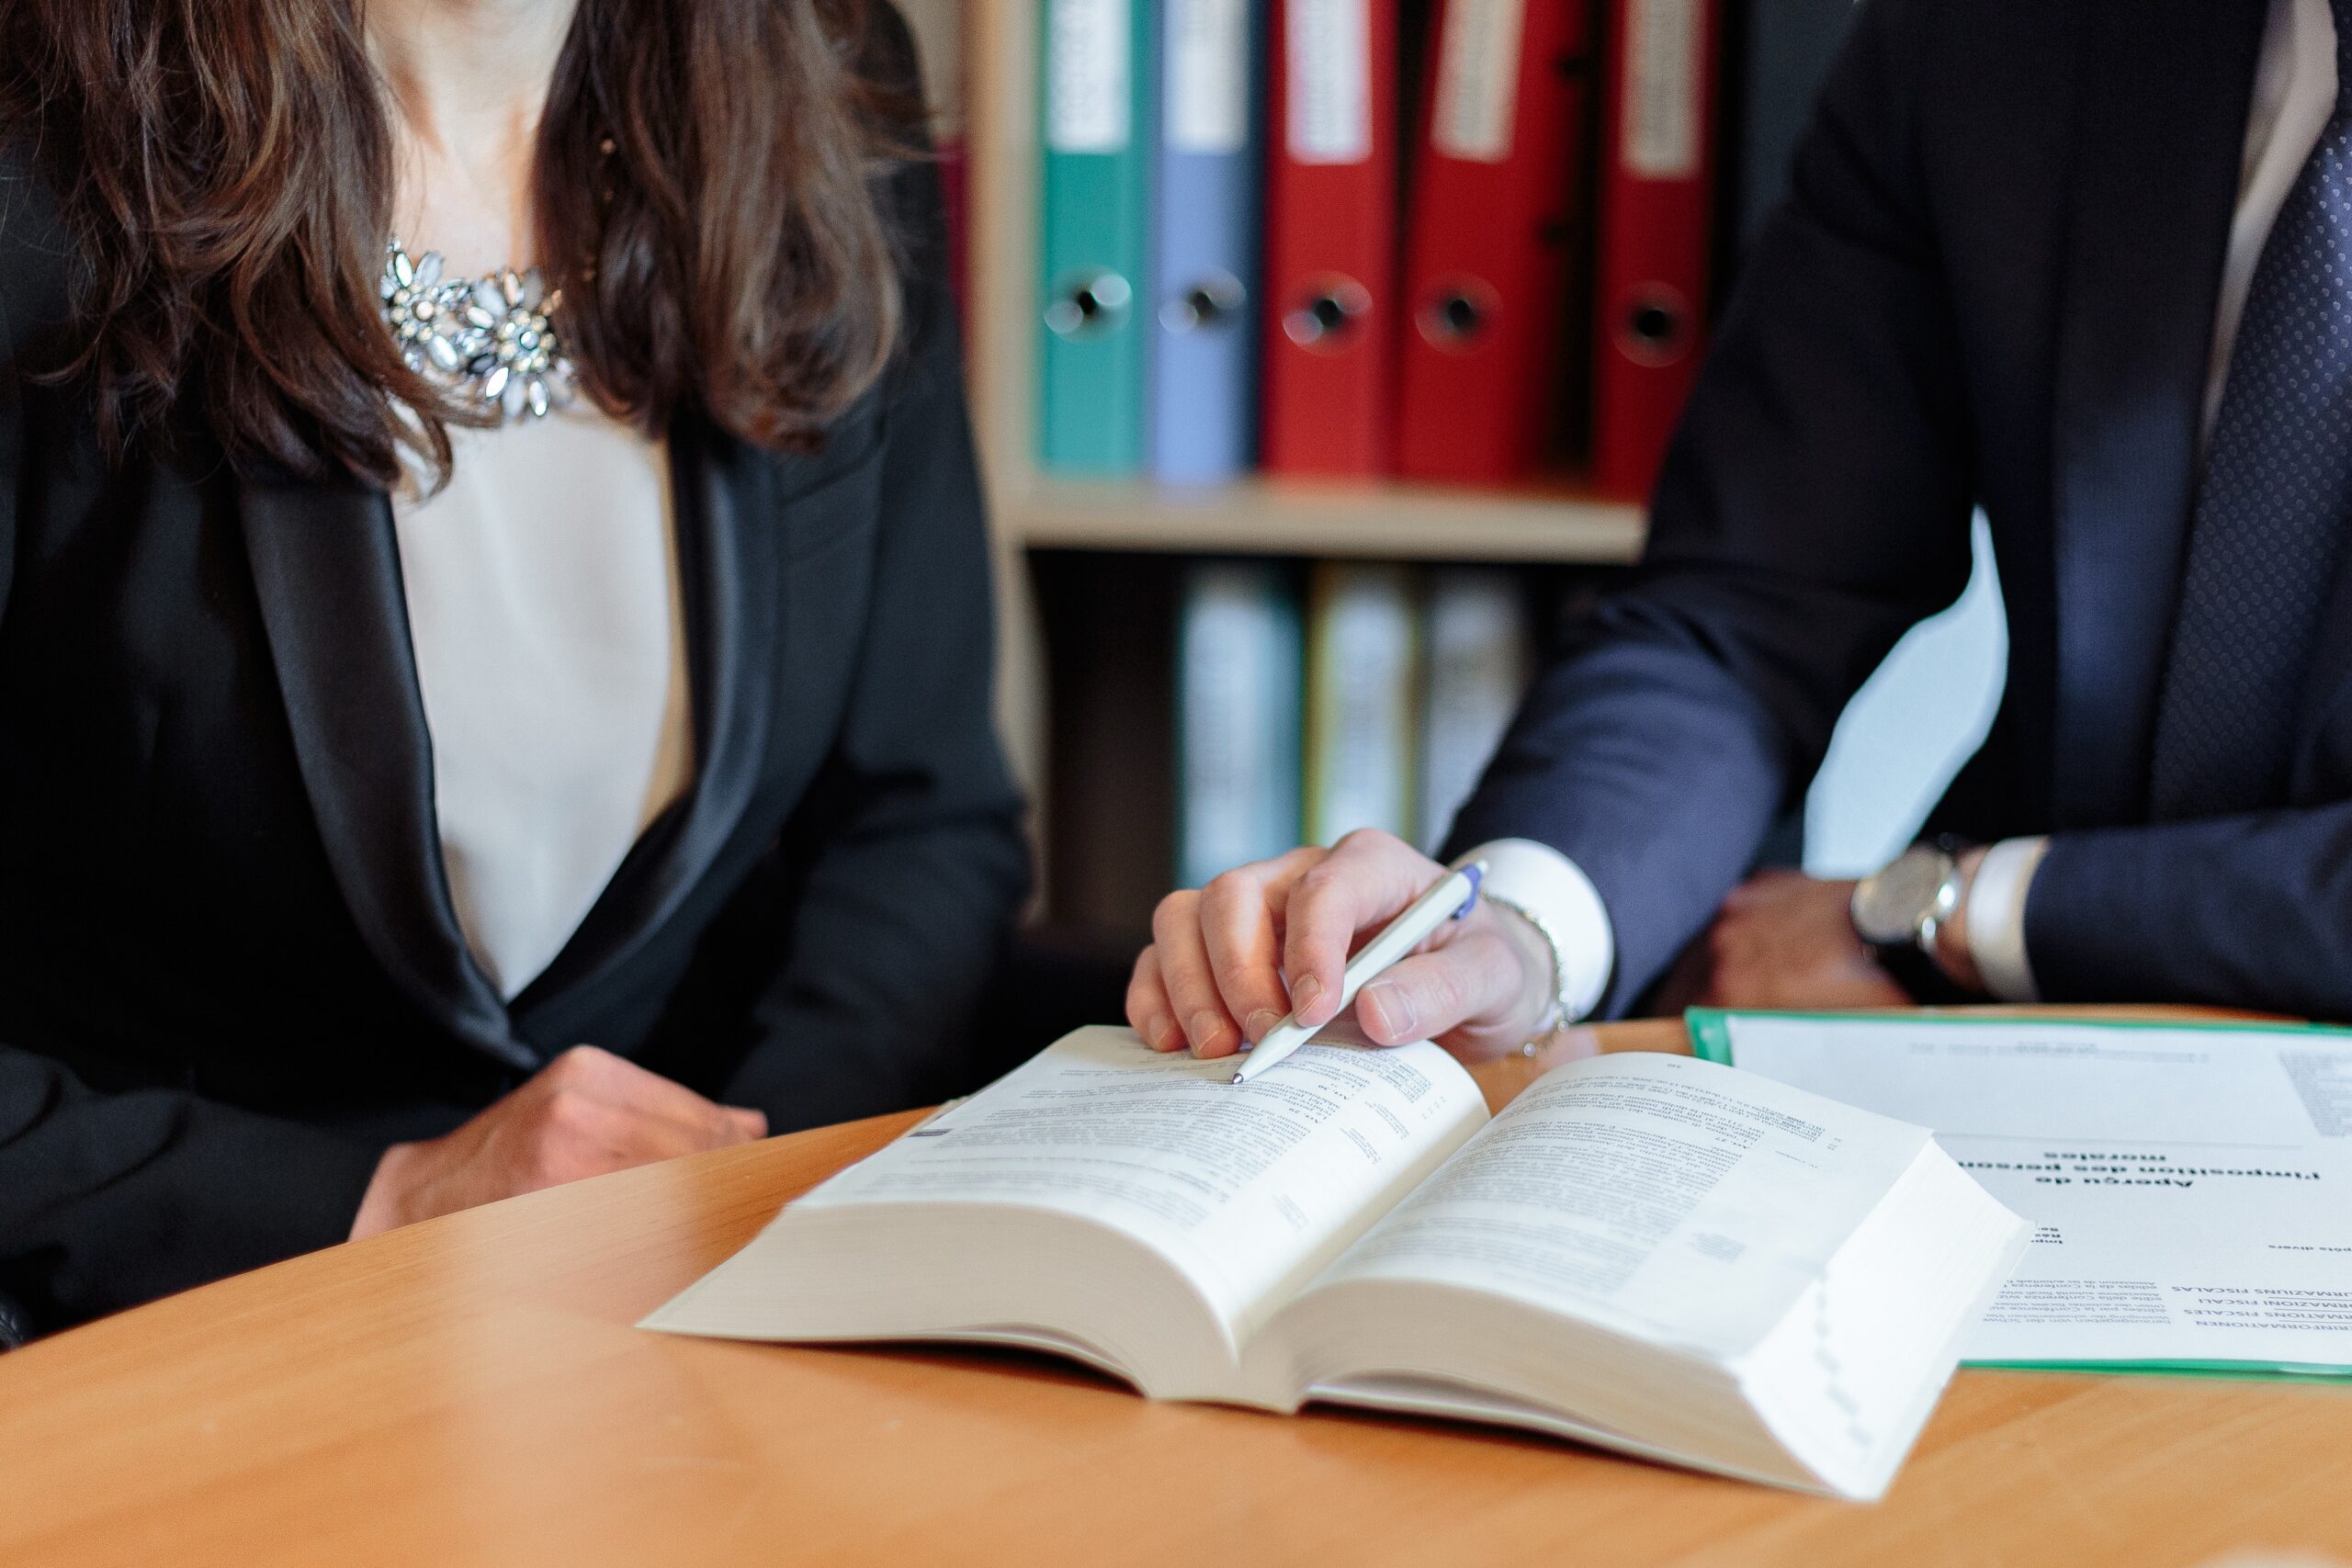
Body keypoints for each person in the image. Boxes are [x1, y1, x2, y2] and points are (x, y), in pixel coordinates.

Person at [0, 0, 1026, 1339]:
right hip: (180, 1341)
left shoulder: (824, 71)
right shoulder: (40, 154)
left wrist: (766, 1195)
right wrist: (380, 1202)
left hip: (694, 1334)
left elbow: (918, 817)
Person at [1131, 0, 2352, 1066]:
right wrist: (1512, 934)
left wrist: (1972, 909)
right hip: (2006, 1077)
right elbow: (1747, 603)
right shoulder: (2000, 36)